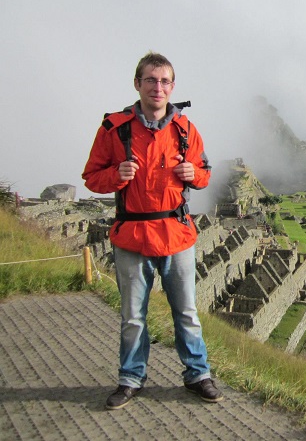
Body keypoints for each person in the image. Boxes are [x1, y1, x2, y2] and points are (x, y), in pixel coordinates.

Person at [83, 52, 223, 410]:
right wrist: (117, 175)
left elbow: (204, 172)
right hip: (132, 235)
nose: (157, 87)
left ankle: (197, 374)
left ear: (172, 87)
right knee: (132, 316)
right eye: (150, 80)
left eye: (163, 81)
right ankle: (130, 378)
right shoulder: (114, 129)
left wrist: (196, 175)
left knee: (187, 312)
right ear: (138, 84)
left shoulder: (186, 129)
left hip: (176, 234)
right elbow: (91, 176)